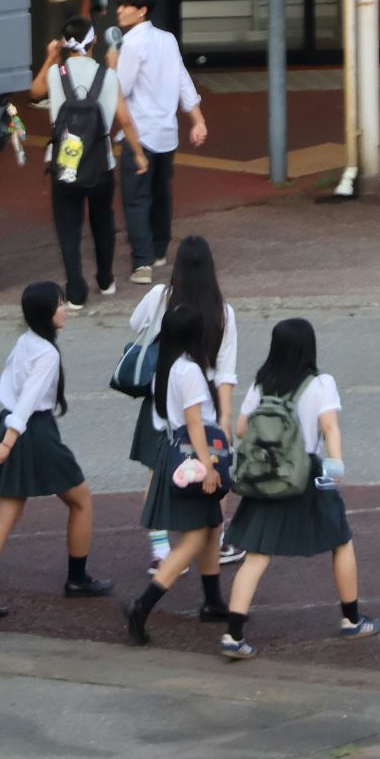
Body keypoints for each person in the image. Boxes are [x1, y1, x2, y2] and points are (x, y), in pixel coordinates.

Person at [219, 318, 380, 659]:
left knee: (257, 554)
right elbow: (330, 428)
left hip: (267, 475)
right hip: (308, 473)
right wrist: (333, 470)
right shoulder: (320, 383)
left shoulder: (261, 384)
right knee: (341, 541)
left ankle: (233, 636)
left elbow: (241, 429)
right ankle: (351, 619)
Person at [0, 281, 113, 618]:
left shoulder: (25, 341)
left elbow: (10, 390)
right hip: (34, 432)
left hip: (10, 425)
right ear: (47, 313)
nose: (65, 309)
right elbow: (30, 399)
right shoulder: (47, 352)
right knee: (81, 499)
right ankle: (77, 579)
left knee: (5, 514)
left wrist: (5, 438)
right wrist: (8, 443)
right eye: (60, 304)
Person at [128, 235, 242, 570]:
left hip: (162, 394)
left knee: (158, 468)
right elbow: (226, 372)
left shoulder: (160, 296)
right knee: (215, 469)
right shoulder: (223, 312)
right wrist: (224, 420)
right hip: (203, 399)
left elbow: (135, 325)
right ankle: (215, 541)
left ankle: (161, 551)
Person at [124, 304, 229, 646]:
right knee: (195, 537)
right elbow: (195, 422)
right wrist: (209, 466)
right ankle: (144, 604)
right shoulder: (191, 371)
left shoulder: (166, 367)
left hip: (173, 453)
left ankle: (213, 601)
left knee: (211, 526)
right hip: (193, 457)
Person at [29, 17, 148, 311]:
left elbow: (34, 92)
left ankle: (76, 291)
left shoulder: (57, 73)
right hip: (100, 161)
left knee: (68, 227)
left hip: (63, 162)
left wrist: (49, 57)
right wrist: (139, 154)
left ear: (64, 45)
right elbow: (126, 120)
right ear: (94, 42)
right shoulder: (108, 76)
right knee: (102, 220)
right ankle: (105, 279)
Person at [108, 0, 208, 284]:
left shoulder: (131, 45)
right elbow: (182, 79)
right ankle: (160, 249)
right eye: (120, 5)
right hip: (167, 132)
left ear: (142, 11)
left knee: (136, 197)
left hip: (138, 133)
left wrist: (112, 66)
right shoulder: (167, 39)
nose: (119, 10)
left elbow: (119, 90)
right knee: (161, 192)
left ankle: (142, 262)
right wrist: (197, 120)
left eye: (127, 6)